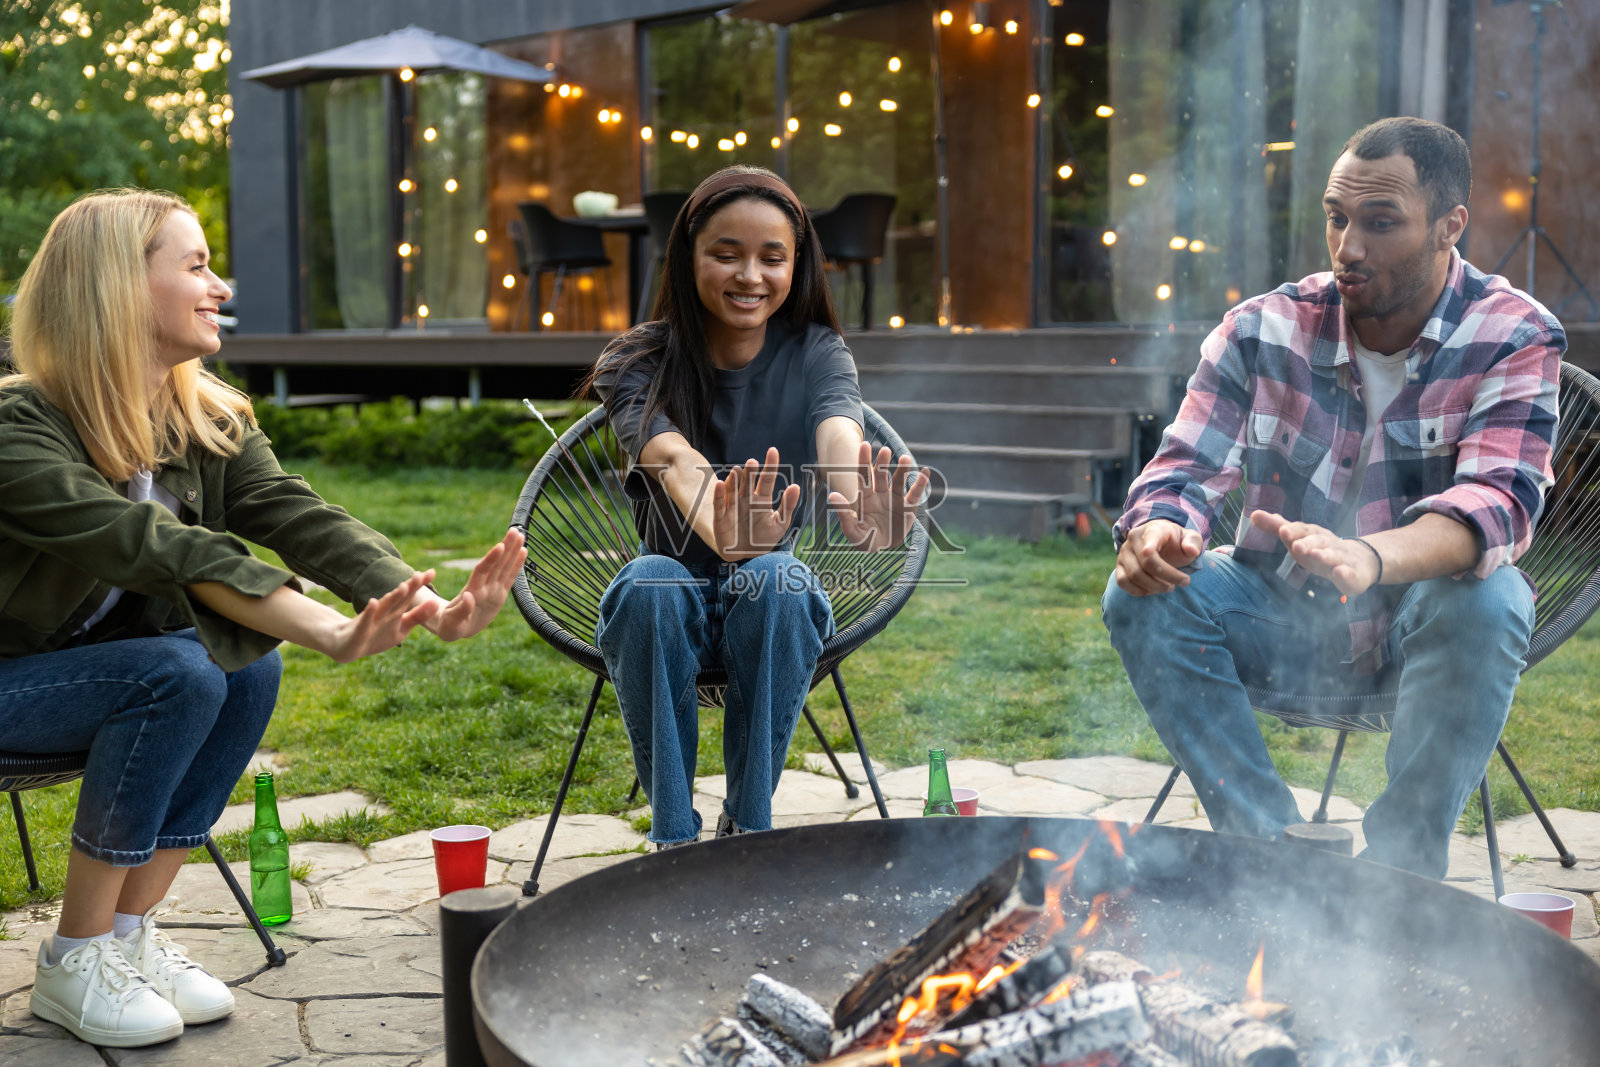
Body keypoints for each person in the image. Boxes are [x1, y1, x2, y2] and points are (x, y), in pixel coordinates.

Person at [0, 188, 527, 1048]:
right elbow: (153, 545)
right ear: (117, 289)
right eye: (197, 266)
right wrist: (322, 625)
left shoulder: (201, 416)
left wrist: (427, 603)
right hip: (13, 681)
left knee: (245, 664)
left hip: (99, 676)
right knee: (178, 667)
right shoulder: (19, 428)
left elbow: (297, 513)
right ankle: (76, 956)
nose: (220, 287)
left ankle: (127, 939)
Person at [1101, 118, 1564, 881]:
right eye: (1336, 217)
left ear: (1451, 226)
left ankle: (1400, 880)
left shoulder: (1512, 335)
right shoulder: (1260, 328)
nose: (1349, 246)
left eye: (1381, 223)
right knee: (1142, 597)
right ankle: (1278, 864)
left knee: (1492, 599)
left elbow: (1497, 504)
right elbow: (1182, 469)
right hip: (1281, 612)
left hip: (1423, 624)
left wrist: (1369, 556)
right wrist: (1158, 531)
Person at [581, 166, 925, 850]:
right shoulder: (638, 358)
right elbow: (675, 459)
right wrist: (718, 523)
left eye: (773, 257)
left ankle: (749, 830)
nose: (750, 275)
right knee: (650, 580)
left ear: (797, 268)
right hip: (664, 608)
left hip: (767, 613)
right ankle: (673, 838)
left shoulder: (816, 352)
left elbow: (838, 430)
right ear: (688, 258)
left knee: (780, 579)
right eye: (726, 253)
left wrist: (856, 493)